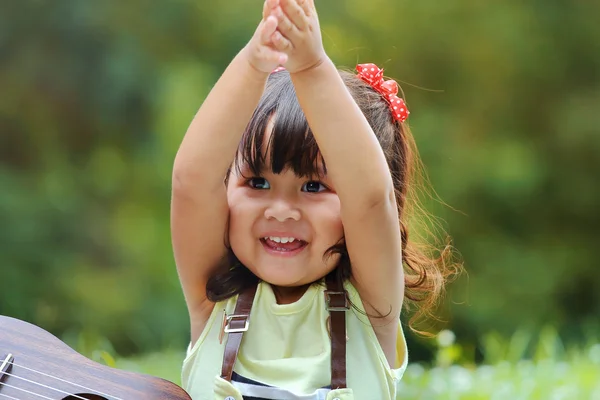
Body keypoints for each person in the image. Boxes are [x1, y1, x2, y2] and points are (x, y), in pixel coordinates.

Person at [171, 0, 459, 398]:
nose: (281, 211)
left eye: (313, 187)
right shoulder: (213, 301)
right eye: (257, 183)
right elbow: (191, 182)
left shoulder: (371, 308)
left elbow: (370, 197)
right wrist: (255, 62)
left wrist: (310, 68)